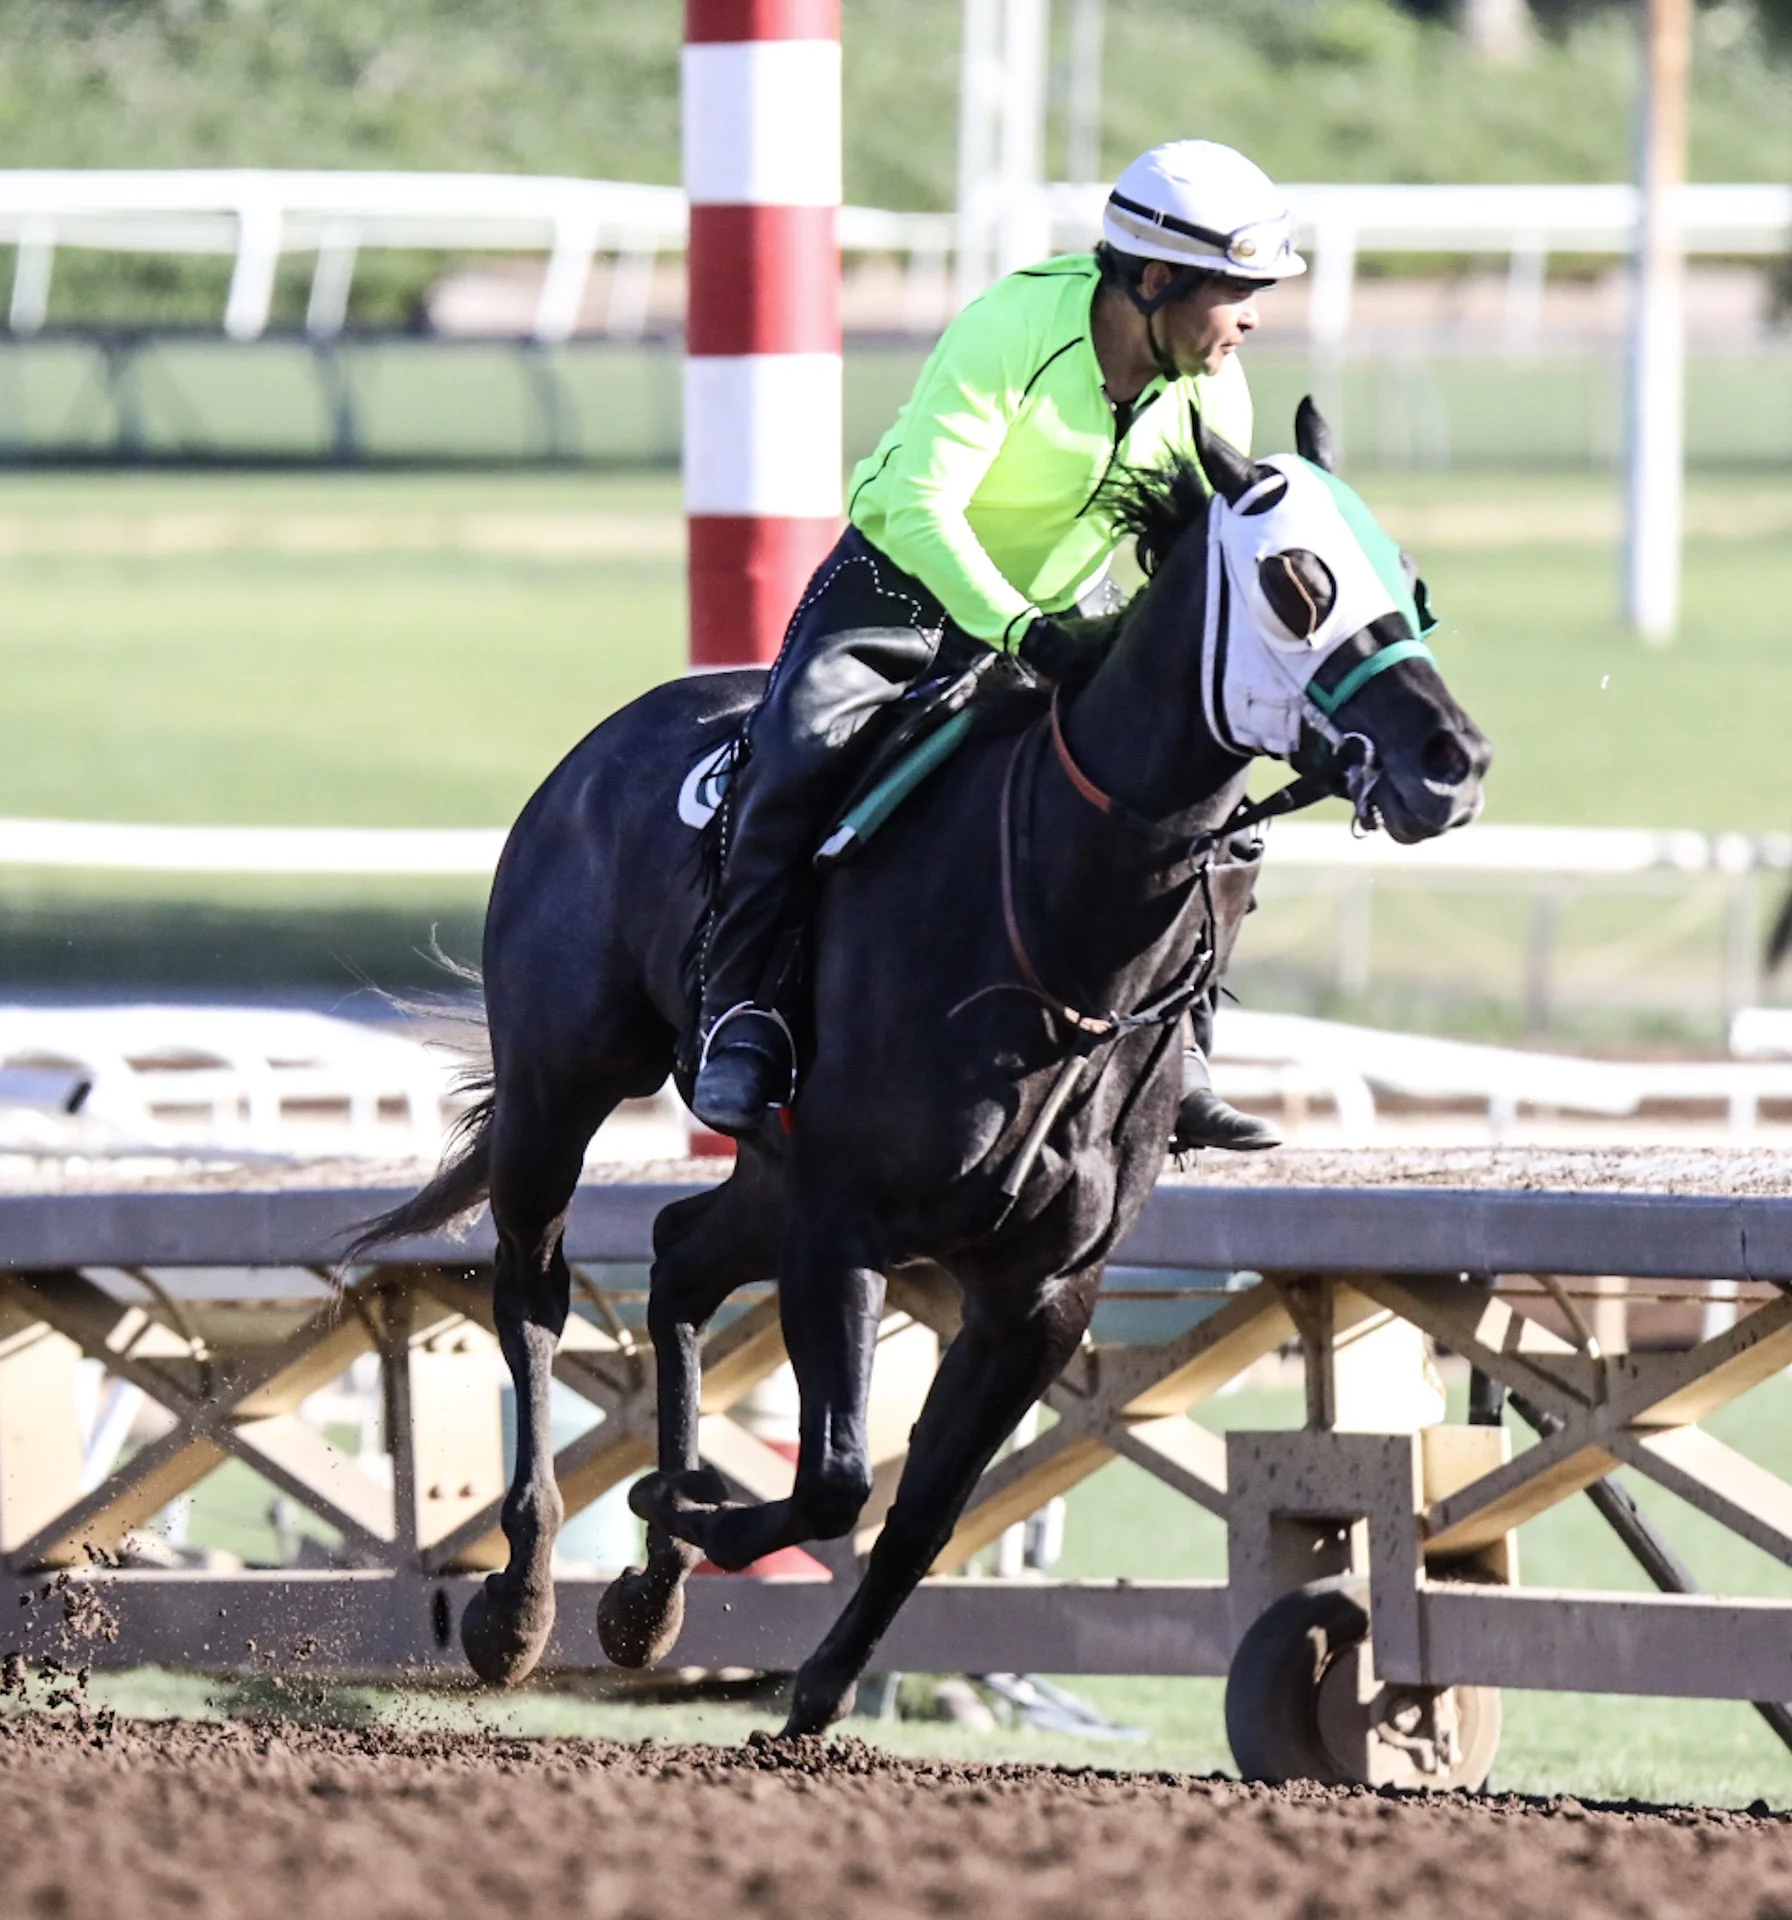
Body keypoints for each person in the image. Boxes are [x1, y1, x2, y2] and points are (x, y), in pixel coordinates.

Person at [691, 138, 1304, 1146]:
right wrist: (1021, 628)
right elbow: (924, 507)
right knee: (796, 759)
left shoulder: (1212, 387)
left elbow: (1191, 567)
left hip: (1061, 617)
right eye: (1235, 289)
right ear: (1153, 279)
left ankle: (1177, 1050)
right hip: (904, 586)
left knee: (1199, 795)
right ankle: (742, 1014)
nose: (1250, 317)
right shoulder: (1012, 327)